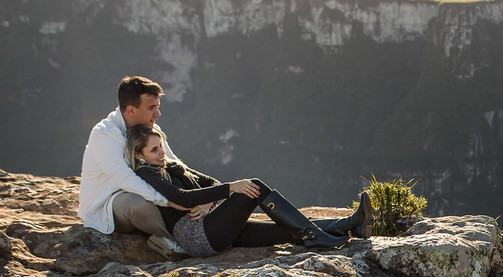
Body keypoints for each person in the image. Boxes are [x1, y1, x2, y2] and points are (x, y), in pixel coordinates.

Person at [126, 124, 371, 257]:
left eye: (161, 147)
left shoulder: (173, 167)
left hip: (213, 227)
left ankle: (350, 225)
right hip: (198, 237)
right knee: (252, 187)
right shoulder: (146, 173)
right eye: (154, 150)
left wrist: (207, 204)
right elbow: (179, 197)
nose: (161, 154)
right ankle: (316, 237)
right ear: (139, 155)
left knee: (284, 232)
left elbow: (210, 183)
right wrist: (232, 188)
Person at [78, 76, 186, 257]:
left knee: (178, 185)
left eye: (157, 107)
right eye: (151, 108)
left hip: (148, 189)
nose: (157, 114)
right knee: (139, 204)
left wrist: (195, 193)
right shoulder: (104, 134)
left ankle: (194, 229)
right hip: (110, 203)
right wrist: (168, 200)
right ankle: (176, 241)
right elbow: (123, 178)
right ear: (130, 110)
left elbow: (173, 163)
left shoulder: (151, 129)